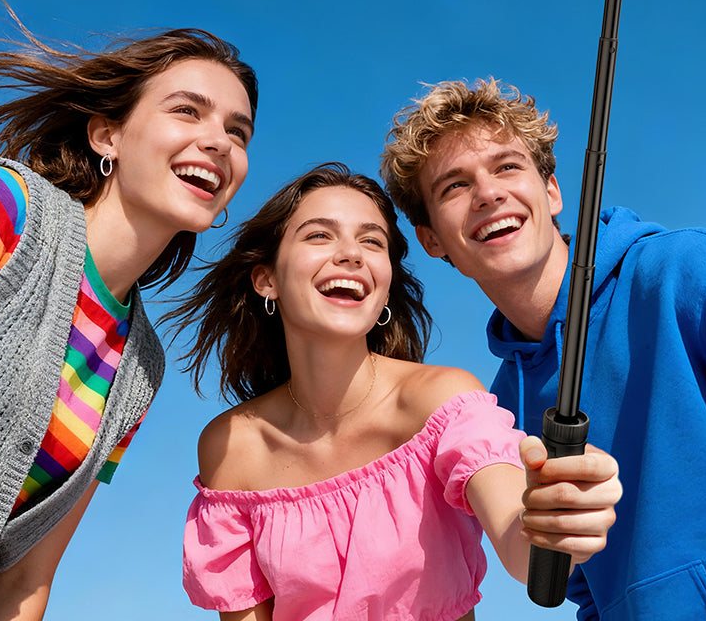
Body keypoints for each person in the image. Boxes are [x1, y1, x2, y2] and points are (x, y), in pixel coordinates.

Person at [0, 3, 258, 621]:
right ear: (107, 136)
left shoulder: (140, 368)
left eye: (239, 131)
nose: (218, 142)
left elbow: (24, 578)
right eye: (187, 110)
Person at [174, 163, 621, 621]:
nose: (352, 254)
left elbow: (519, 543)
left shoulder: (442, 401)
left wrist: (554, 521)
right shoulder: (231, 446)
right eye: (319, 235)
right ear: (266, 279)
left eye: (372, 241)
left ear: (385, 287)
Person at [380, 78, 706, 620]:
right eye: (455, 186)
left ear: (552, 191)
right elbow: (584, 586)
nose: (488, 194)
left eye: (507, 167)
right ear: (432, 240)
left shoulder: (682, 270)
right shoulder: (502, 408)